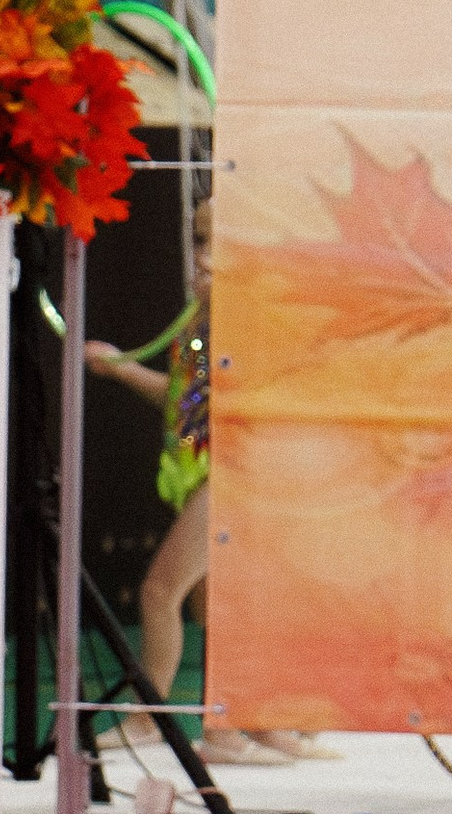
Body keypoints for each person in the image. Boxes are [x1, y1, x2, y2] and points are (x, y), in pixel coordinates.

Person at [85, 200, 331, 767]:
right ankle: (248, 722)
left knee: (159, 591)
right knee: (213, 604)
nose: (202, 256)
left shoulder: (251, 321)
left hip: (237, 470)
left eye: (216, 242)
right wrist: (121, 368)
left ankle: (154, 719)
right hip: (207, 468)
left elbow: (245, 406)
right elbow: (184, 407)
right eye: (198, 240)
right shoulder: (204, 319)